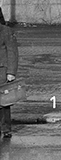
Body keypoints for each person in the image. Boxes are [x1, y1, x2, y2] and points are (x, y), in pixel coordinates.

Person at [0, 8, 18, 139]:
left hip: (2, 70)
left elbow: (12, 51)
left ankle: (6, 128)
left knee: (3, 102)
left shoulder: (6, 31)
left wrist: (11, 72)